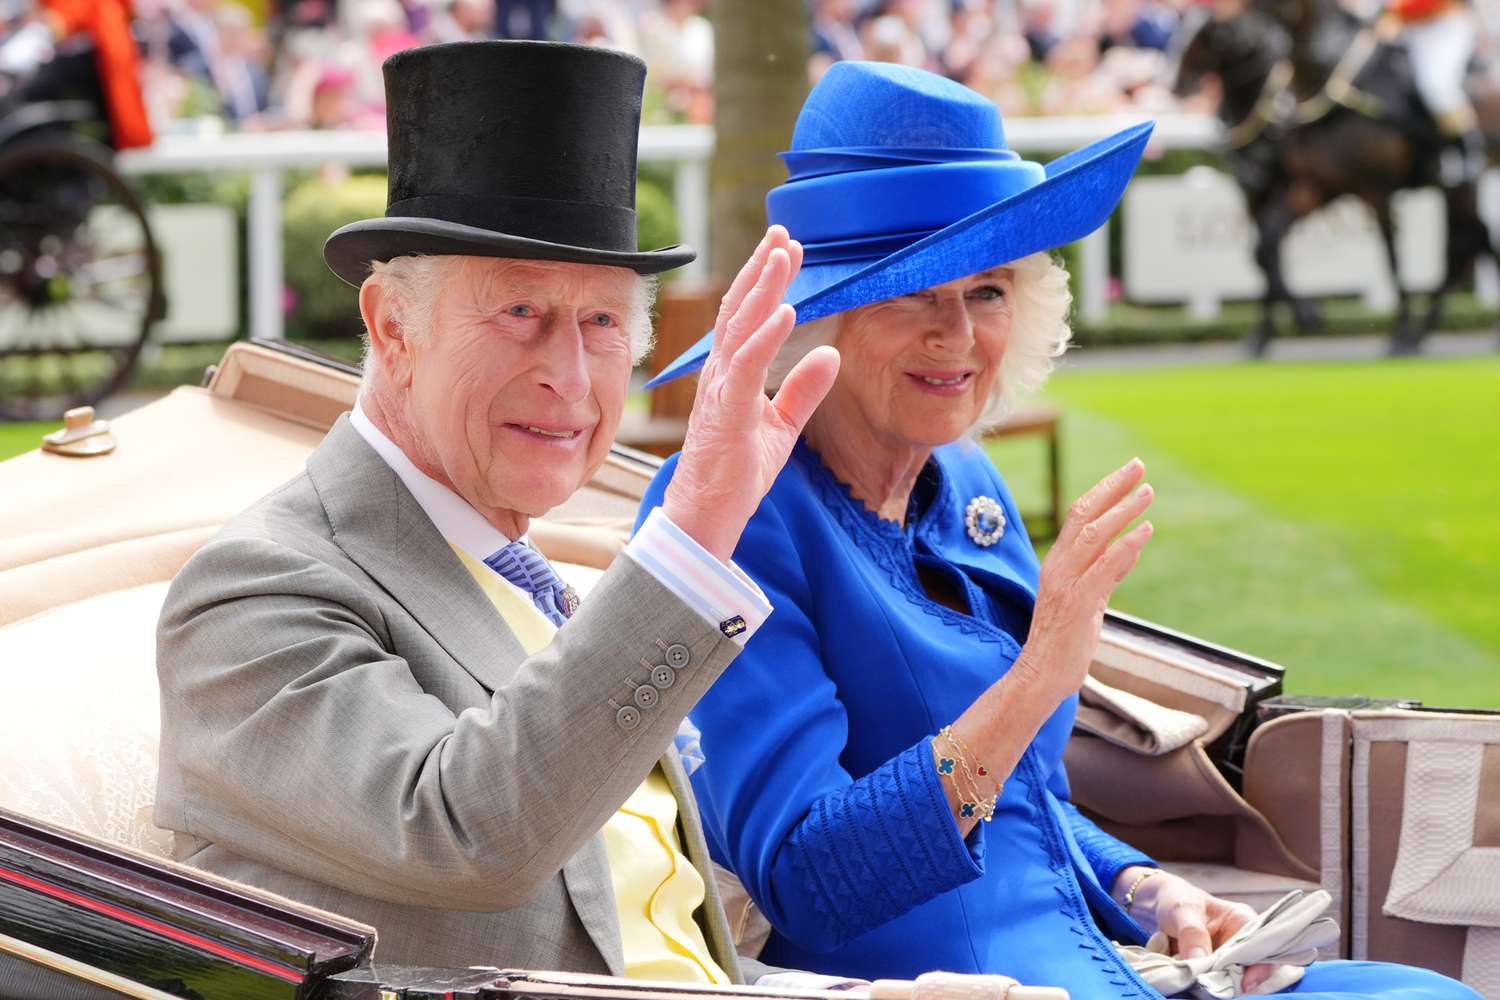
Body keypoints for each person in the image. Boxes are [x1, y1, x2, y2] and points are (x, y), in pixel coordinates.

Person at [639, 61, 1483, 1000]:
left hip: (1087, 958)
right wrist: (1043, 671)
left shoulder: (961, 481)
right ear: (820, 315)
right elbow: (807, 880)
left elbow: (1018, 807)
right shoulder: (730, 515)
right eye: (913, 291)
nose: (957, 337)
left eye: (989, 290)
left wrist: (1140, 883)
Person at [154, 40, 840, 981]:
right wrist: (694, 536)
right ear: (393, 326)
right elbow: (466, 832)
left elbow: (657, 936)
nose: (567, 376)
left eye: (602, 323)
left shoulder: (531, 574)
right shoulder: (256, 590)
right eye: (519, 311)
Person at [1380, 0, 1484, 188]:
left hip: (1444, 25)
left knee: (1436, 85)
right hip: (1410, 29)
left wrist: (1394, 11)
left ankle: (1467, 151)